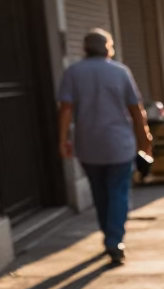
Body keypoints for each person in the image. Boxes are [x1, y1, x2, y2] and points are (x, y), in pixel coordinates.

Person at [57, 29, 152, 266]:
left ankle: (108, 235)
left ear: (85, 48)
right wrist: (145, 140)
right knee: (118, 193)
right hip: (119, 144)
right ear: (108, 47)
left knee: (100, 193)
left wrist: (62, 140)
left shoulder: (73, 72)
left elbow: (65, 109)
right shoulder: (120, 72)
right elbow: (136, 110)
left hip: (88, 144)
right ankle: (114, 240)